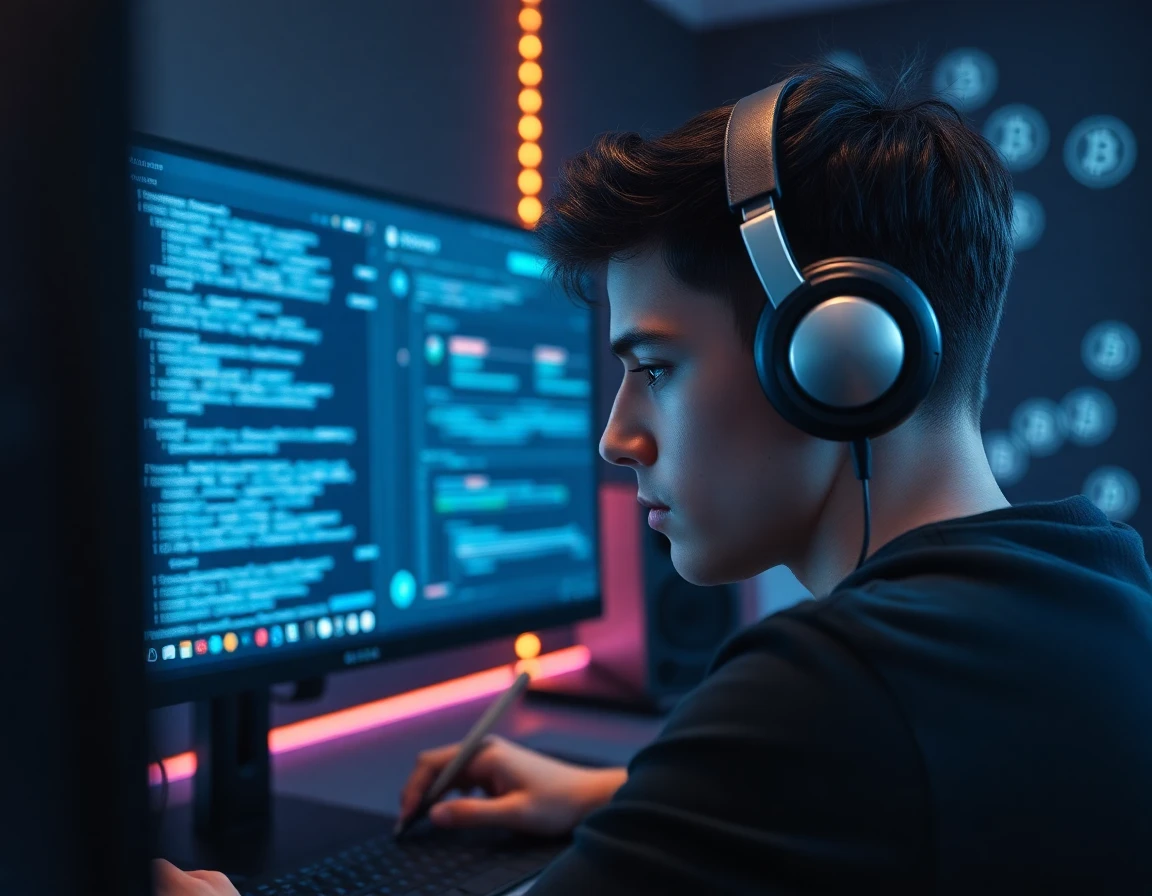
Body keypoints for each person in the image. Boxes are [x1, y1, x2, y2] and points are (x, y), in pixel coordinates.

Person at [158, 59, 1152, 895]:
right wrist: (635, 794)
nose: (615, 437)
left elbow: (837, 747)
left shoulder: (834, 684)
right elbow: (902, 788)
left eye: (655, 367)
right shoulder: (1094, 586)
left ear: (834, 357)